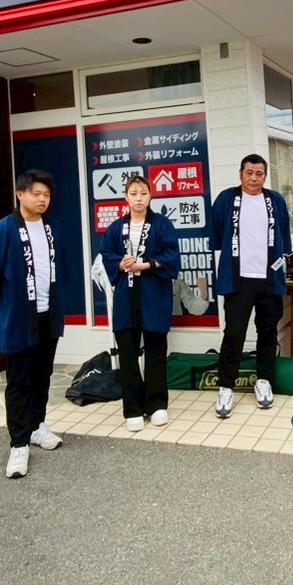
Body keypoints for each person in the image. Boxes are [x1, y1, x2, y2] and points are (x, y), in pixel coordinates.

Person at [0, 169, 68, 480]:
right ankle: (18, 442)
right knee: (19, 379)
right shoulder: (2, 231)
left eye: (47, 195)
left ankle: (37, 425)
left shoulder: (53, 228)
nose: (42, 200)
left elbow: (61, 268)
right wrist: (8, 302)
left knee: (43, 373)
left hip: (47, 314)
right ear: (20, 194)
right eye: (36, 193)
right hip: (18, 317)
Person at [208, 153, 291, 418]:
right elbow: (216, 233)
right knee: (234, 333)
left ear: (265, 176)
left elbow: (284, 235)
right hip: (238, 279)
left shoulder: (275, 200)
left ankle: (264, 381)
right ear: (240, 174)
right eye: (249, 173)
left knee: (268, 332)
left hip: (269, 278)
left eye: (259, 174)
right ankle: (226, 386)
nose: (254, 178)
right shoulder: (226, 199)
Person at [100, 175, 182, 431]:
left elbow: (172, 255)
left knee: (156, 350)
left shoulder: (162, 224)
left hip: (153, 294)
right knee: (127, 352)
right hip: (126, 297)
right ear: (126, 197)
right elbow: (106, 254)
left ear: (150, 195)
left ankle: (157, 405)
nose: (138, 198)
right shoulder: (116, 227)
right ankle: (133, 409)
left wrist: (146, 265)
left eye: (143, 193)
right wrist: (120, 264)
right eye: (133, 193)